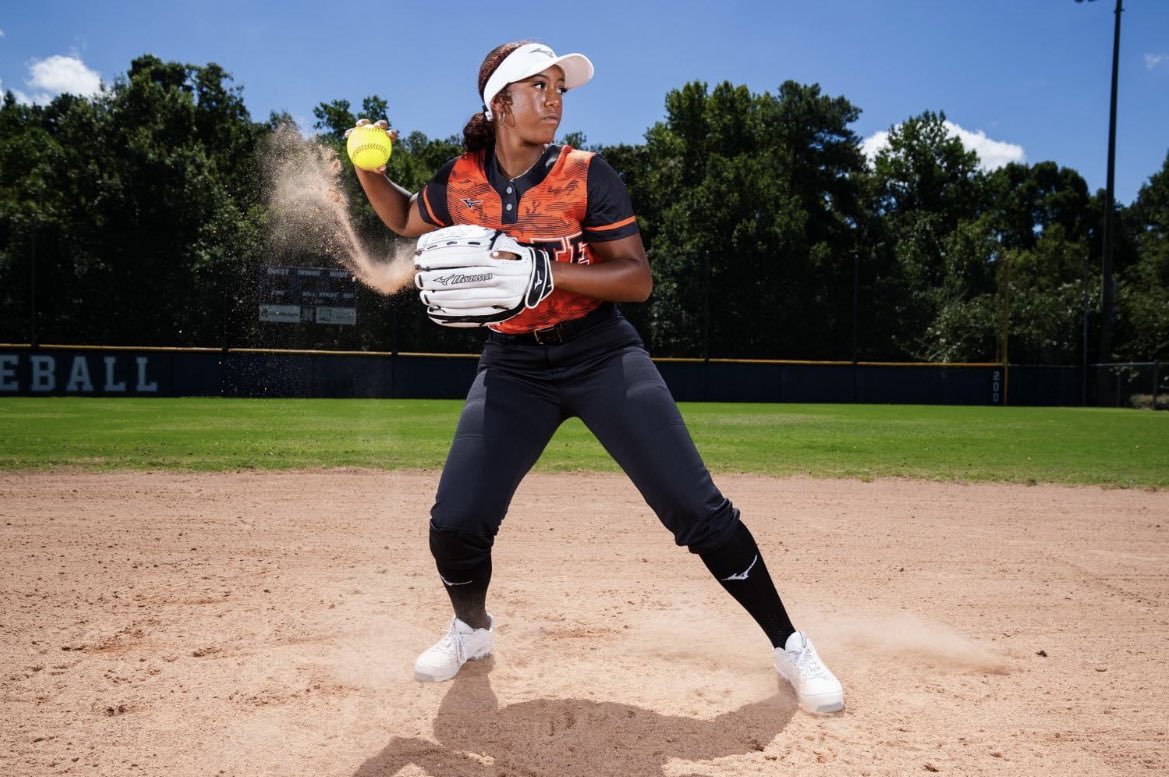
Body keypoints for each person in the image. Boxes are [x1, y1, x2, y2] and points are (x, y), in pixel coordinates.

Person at [351, 41, 844, 714]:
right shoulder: (463, 180)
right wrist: (366, 170)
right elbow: (406, 216)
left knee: (696, 510)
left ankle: (790, 646)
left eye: (560, 87)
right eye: (539, 86)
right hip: (512, 365)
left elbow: (635, 278)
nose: (555, 99)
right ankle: (471, 630)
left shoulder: (585, 172)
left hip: (598, 352)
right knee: (455, 521)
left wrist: (543, 271)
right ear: (499, 103)